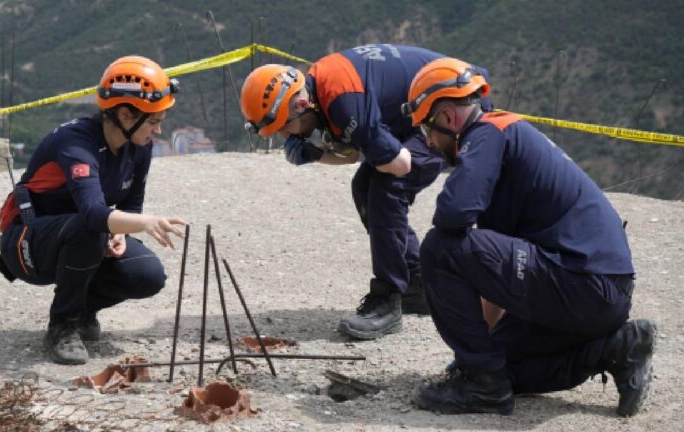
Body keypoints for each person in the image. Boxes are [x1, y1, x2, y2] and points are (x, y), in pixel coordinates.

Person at [402, 57, 656, 416]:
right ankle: (616, 347)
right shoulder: (507, 138)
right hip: (599, 294)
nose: (428, 142)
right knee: (502, 365)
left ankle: (483, 387)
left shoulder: (489, 132)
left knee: (440, 248)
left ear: (447, 116)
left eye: (427, 129)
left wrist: (475, 366)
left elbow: (453, 214)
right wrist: (476, 358)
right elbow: (493, 271)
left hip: (580, 280)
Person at [240, 44, 493, 340]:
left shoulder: (343, 102)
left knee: (387, 188)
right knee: (364, 185)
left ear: (299, 106)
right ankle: (415, 284)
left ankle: (387, 299)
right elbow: (351, 154)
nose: (285, 136)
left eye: (284, 127)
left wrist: (329, 151)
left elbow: (400, 165)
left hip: (456, 104)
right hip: (423, 108)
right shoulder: (318, 91)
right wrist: (317, 153)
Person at [0, 56, 187, 365]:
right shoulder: (76, 143)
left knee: (148, 274)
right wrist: (144, 223)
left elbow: (131, 203)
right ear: (125, 114)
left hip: (82, 237)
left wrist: (122, 236)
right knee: (89, 228)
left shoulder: (140, 146)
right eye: (153, 121)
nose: (159, 129)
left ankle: (84, 309)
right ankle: (63, 325)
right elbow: (94, 214)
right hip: (27, 242)